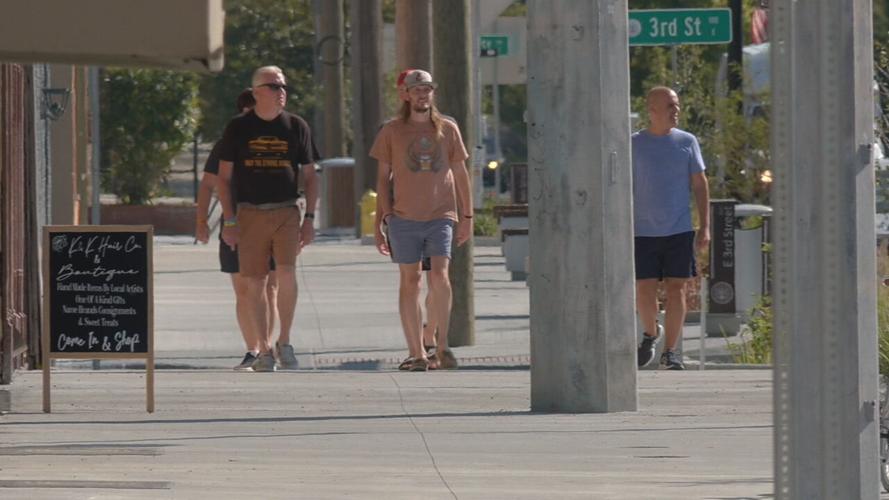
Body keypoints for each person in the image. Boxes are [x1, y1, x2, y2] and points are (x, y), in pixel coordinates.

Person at [216, 66, 320, 372]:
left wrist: (310, 218)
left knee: (286, 274)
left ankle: (284, 341)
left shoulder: (296, 126)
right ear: (257, 92)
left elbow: (312, 176)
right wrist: (230, 221)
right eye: (274, 86)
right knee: (254, 281)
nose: (281, 91)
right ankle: (262, 349)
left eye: (283, 86)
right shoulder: (238, 128)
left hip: (287, 210)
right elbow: (222, 179)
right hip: (249, 213)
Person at [371, 69, 473, 371]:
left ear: (433, 93)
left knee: (440, 276)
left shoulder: (448, 129)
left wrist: (467, 215)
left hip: (441, 215)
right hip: (403, 217)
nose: (422, 94)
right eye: (416, 90)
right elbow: (381, 179)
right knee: (410, 281)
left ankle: (442, 346)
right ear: (405, 95)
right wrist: (383, 219)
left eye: (427, 89)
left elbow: (460, 173)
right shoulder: (392, 131)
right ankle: (416, 352)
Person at [195, 89, 281, 371]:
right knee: (243, 290)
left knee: (269, 288)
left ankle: (268, 347)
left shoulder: (280, 138)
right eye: (246, 111)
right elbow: (208, 184)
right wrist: (201, 223)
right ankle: (253, 349)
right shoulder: (227, 144)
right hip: (235, 225)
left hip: (273, 221)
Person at [633, 86, 710, 370]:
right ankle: (651, 333)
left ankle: (672, 352)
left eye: (677, 105)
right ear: (652, 110)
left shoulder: (687, 142)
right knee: (644, 288)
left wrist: (705, 227)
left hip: (679, 228)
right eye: (669, 106)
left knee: (677, 288)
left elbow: (700, 185)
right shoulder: (634, 144)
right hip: (642, 230)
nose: (676, 111)